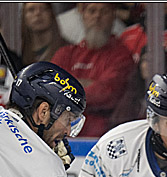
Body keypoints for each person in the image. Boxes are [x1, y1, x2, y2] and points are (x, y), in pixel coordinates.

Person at [51, 2, 135, 137]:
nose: (97, 16)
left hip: (103, 136)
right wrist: (87, 85)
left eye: (104, 11)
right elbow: (50, 91)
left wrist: (68, 86)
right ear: (82, 15)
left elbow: (105, 94)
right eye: (92, 11)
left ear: (113, 16)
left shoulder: (122, 55)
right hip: (62, 134)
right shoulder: (65, 53)